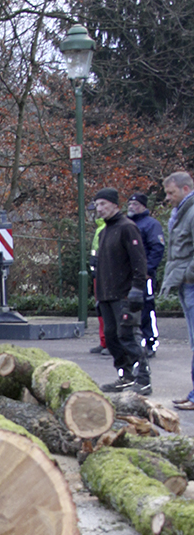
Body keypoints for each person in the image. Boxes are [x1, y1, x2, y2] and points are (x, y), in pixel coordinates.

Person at [93, 187, 151, 395]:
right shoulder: (105, 231)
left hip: (124, 293)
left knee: (128, 335)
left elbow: (138, 260)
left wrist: (137, 288)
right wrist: (99, 295)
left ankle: (142, 378)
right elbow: (103, 265)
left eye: (103, 204)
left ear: (115, 205)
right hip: (107, 294)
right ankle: (125, 376)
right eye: (97, 205)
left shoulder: (127, 227)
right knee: (112, 337)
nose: (99, 209)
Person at [159, 172, 194, 410]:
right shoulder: (182, 211)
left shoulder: (190, 212)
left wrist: (188, 275)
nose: (167, 197)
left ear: (185, 188)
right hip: (185, 282)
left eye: (171, 193)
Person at [126, 192, 165, 357]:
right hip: (127, 275)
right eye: (129, 204)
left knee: (146, 309)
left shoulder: (151, 225)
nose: (131, 207)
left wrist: (148, 270)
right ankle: (132, 343)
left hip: (144, 276)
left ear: (143, 206)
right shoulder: (127, 224)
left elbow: (157, 248)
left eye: (135, 204)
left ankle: (150, 343)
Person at [89, 215, 109, 355]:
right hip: (100, 274)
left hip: (105, 275)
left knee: (105, 309)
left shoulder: (105, 228)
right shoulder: (101, 228)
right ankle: (104, 342)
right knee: (101, 308)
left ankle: (108, 343)